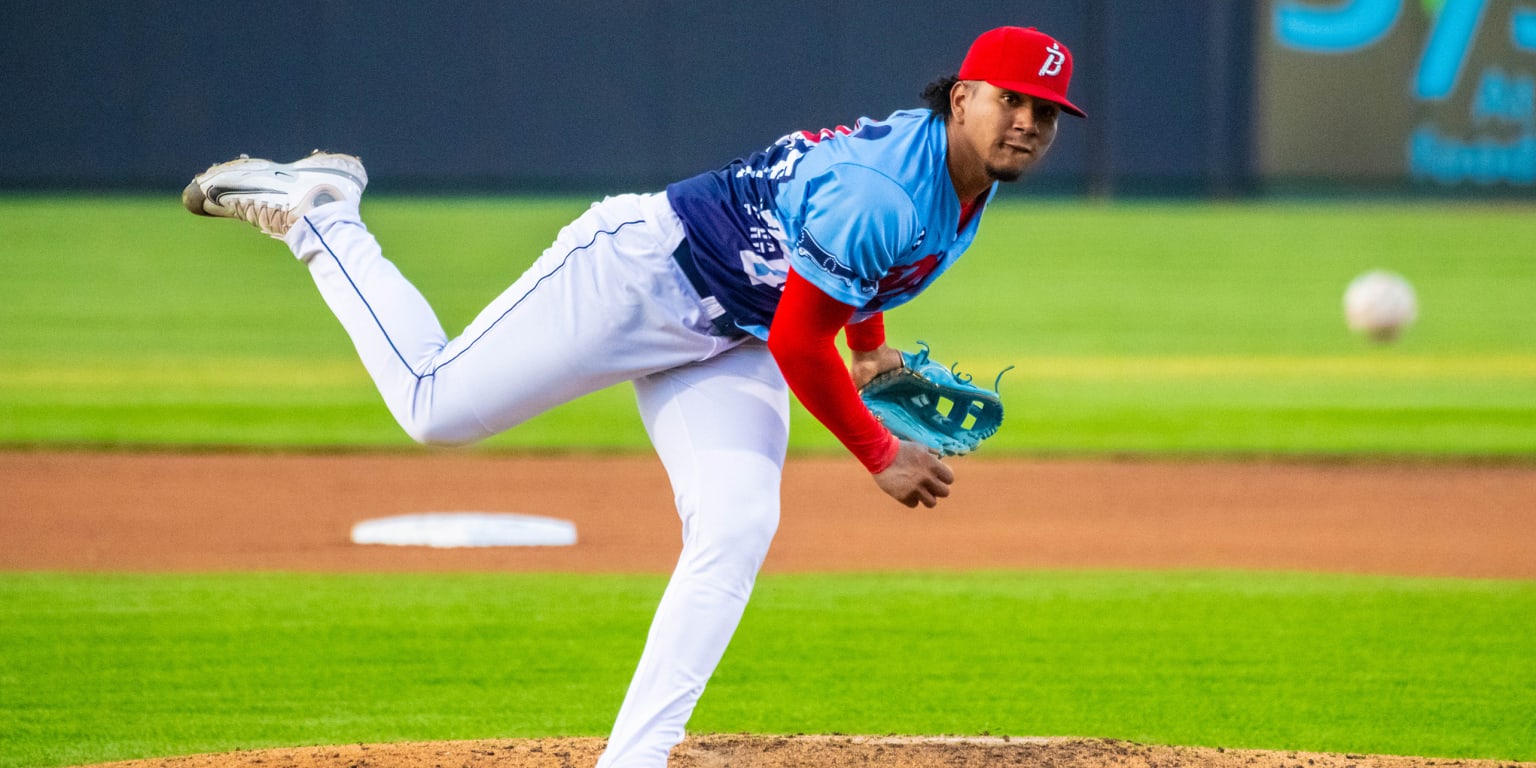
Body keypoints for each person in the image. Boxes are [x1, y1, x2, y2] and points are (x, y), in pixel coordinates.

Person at [181, 24, 1084, 768]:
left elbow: (851, 286)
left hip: (726, 333)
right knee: (432, 406)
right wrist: (881, 454)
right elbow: (801, 338)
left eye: (1046, 113)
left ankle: (635, 759)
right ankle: (322, 213)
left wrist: (875, 353)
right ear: (962, 96)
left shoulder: (960, 181)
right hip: (638, 275)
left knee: (736, 524)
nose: (1028, 125)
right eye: (1012, 101)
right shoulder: (889, 189)